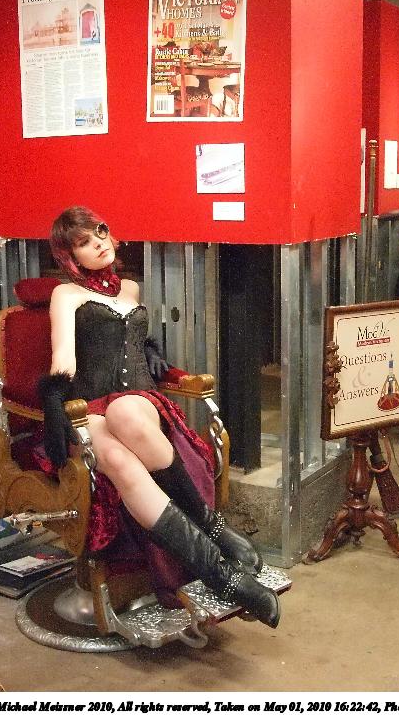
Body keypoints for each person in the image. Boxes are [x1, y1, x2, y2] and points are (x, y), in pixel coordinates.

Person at [39, 205, 280, 628]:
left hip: (137, 403)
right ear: (70, 256)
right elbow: (64, 359)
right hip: (89, 407)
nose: (97, 244)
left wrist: (154, 355)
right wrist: (55, 399)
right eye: (83, 243)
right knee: (120, 462)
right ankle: (224, 576)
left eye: (100, 232)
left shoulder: (131, 289)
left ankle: (213, 531)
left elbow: (140, 346)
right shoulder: (67, 294)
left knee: (126, 410)